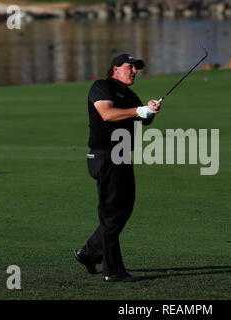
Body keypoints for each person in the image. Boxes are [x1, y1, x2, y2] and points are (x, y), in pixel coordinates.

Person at [74, 53, 161, 282]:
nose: (134, 71)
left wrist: (150, 110)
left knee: (123, 210)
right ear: (115, 69)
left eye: (136, 68)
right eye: (129, 66)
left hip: (121, 156)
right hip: (105, 156)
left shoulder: (129, 94)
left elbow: (143, 118)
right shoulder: (102, 86)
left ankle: (89, 253)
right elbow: (107, 114)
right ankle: (112, 270)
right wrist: (138, 111)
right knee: (112, 214)